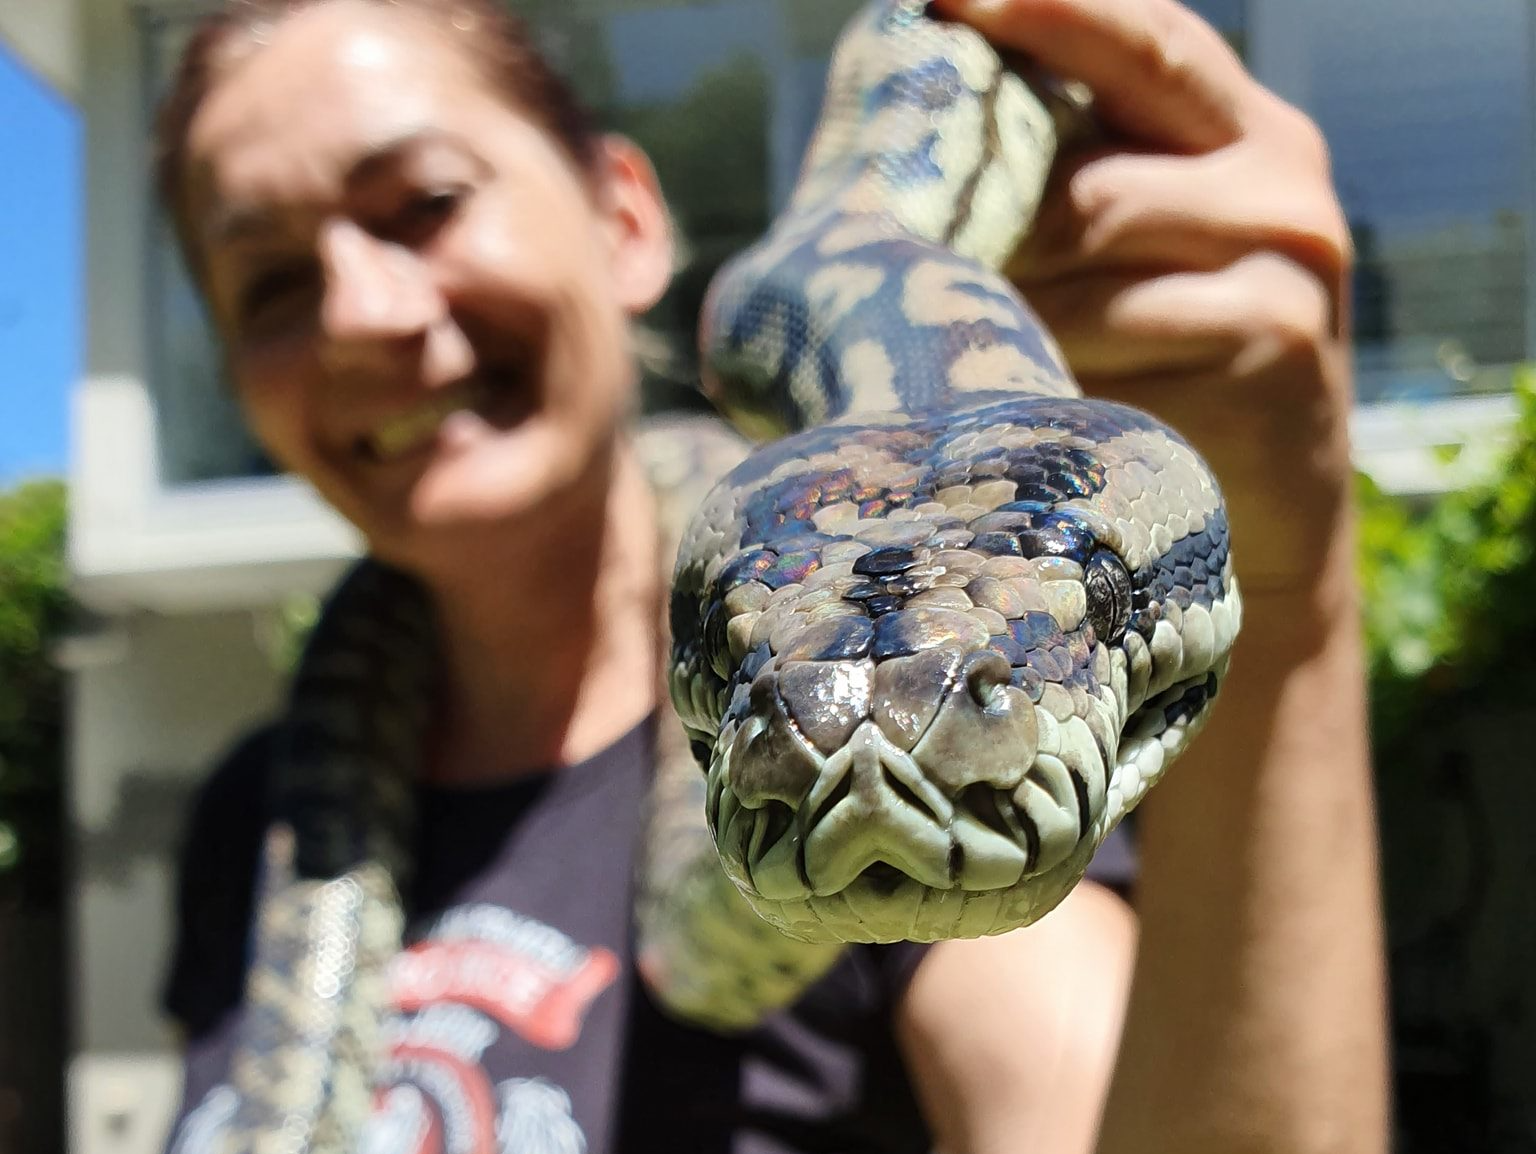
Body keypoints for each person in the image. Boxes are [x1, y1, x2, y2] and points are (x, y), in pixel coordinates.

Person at [154, 0, 1389, 1151]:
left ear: (627, 221)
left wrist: (1293, 599)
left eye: (422, 203)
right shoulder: (259, 818)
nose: (362, 312)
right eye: (270, 281)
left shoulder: (921, 691)